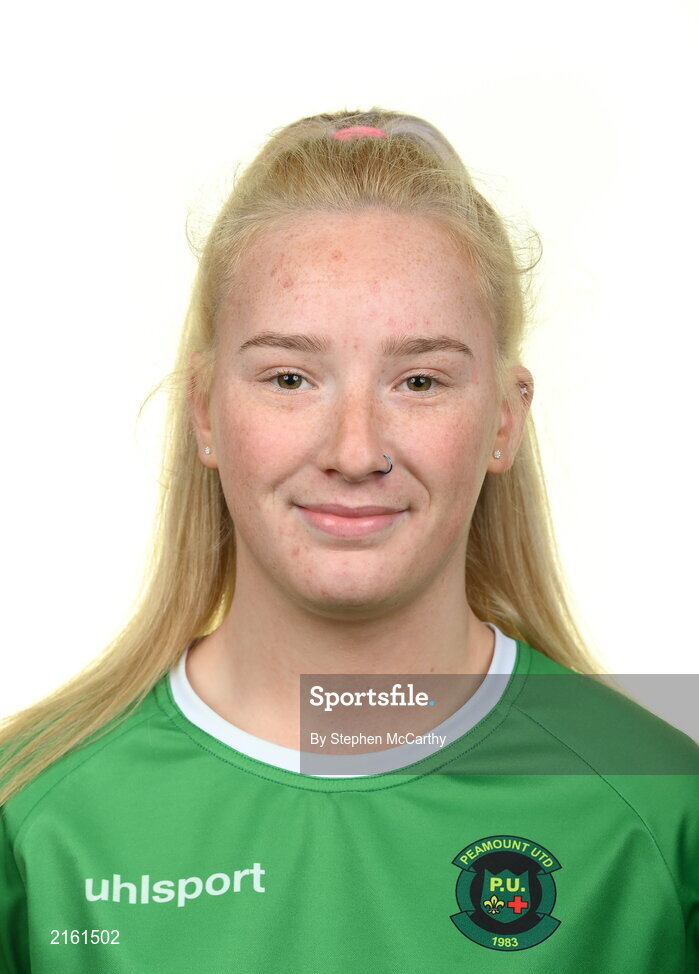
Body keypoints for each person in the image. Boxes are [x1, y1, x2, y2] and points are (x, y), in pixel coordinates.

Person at [1, 107, 697, 973]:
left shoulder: (663, 810)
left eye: (419, 381)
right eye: (290, 377)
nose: (355, 450)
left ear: (502, 422)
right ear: (206, 414)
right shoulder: (33, 813)